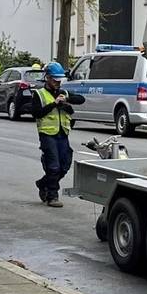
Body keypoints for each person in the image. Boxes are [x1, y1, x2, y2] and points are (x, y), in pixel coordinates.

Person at [32, 61, 85, 207]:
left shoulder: (63, 93)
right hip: (47, 134)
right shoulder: (39, 94)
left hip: (62, 134)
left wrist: (66, 101)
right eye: (55, 79)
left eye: (59, 79)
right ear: (47, 78)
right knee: (53, 166)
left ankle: (43, 183)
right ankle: (52, 196)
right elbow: (36, 113)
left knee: (64, 166)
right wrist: (54, 104)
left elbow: (81, 99)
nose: (57, 82)